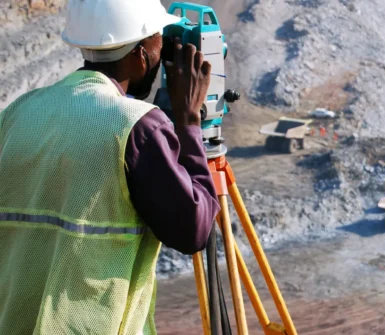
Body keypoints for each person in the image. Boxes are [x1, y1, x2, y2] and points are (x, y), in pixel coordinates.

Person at [0, 0, 220, 334]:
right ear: (141, 53)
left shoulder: (17, 112)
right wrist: (189, 120)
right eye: (159, 41)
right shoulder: (136, 128)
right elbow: (195, 229)